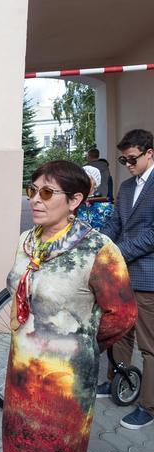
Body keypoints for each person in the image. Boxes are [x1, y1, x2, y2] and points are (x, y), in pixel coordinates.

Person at [2, 160, 136, 452]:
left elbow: (121, 315)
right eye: (33, 190)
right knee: (26, 435)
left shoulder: (97, 249)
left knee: (61, 445)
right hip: (24, 365)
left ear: (76, 200)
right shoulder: (28, 240)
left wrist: (82, 344)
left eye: (47, 193)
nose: (36, 200)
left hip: (66, 376)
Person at [97, 129, 154, 431]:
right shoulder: (127, 186)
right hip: (122, 273)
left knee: (148, 344)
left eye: (132, 159)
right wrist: (99, 243)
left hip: (148, 275)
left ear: (149, 153)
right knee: (118, 331)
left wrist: (119, 250)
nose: (128, 164)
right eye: (123, 159)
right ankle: (115, 380)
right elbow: (115, 223)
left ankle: (148, 405)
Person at [77, 164, 114, 230]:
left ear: (95, 183)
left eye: (88, 178)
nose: (83, 182)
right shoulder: (73, 203)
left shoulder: (106, 207)